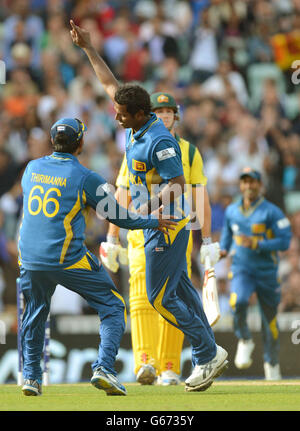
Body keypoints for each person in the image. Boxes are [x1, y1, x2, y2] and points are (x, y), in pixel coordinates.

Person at [70, 20, 228, 393]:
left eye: (122, 113)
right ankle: (209, 355)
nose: (116, 116)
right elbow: (111, 85)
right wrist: (89, 49)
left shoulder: (160, 142)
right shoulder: (135, 124)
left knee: (158, 297)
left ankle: (206, 351)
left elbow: (177, 185)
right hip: (154, 222)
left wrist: (144, 209)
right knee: (183, 293)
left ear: (139, 114)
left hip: (168, 224)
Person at [18, 117, 177, 397]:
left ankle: (31, 378)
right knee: (113, 305)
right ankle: (104, 368)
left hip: (29, 258)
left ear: (53, 141)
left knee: (34, 313)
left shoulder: (31, 168)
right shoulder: (86, 177)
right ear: (80, 143)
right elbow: (119, 216)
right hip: (66, 257)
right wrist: (153, 220)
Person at [100, 91, 219, 386]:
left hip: (169, 226)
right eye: (160, 110)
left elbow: (195, 193)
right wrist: (113, 236)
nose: (165, 115)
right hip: (143, 230)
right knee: (143, 297)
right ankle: (146, 362)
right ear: (149, 113)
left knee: (162, 298)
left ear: (174, 116)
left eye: (169, 111)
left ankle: (175, 363)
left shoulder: (185, 150)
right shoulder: (134, 138)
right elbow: (123, 189)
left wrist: (206, 240)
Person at [220, 167, 292, 380]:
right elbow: (227, 237)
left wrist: (258, 243)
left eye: (253, 182)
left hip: (267, 273)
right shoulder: (232, 211)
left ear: (260, 185)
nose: (249, 186)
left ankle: (272, 364)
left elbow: (285, 241)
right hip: (242, 269)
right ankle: (245, 339)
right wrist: (221, 251)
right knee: (237, 301)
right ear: (241, 185)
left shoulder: (272, 211)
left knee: (269, 322)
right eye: (245, 182)